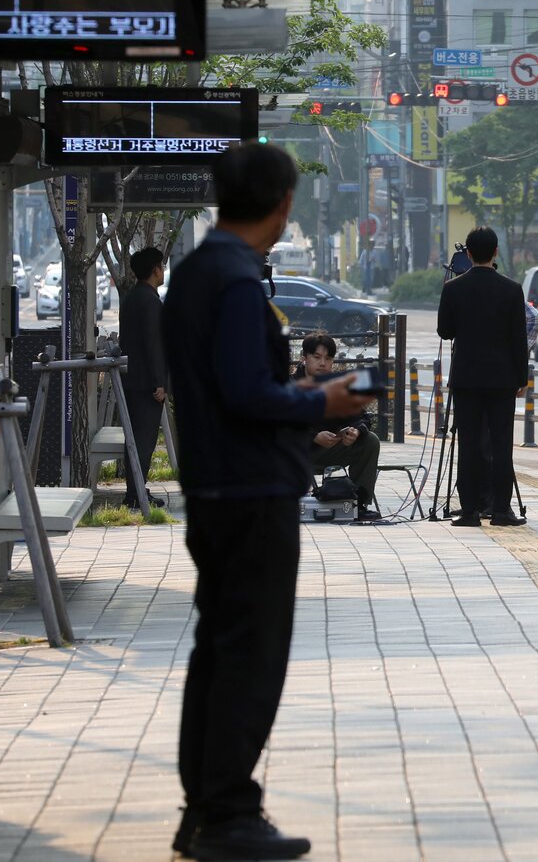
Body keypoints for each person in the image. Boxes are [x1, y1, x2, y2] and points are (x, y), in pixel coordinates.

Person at [163, 141, 369, 861]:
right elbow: (249, 394)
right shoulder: (238, 282)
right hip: (251, 490)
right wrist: (324, 397)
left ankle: (206, 807)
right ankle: (226, 813)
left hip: (215, 485)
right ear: (282, 204)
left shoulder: (195, 272)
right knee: (250, 656)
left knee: (218, 653)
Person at [437, 226, 530, 528]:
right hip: (502, 378)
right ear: (496, 252)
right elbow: (519, 338)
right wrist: (521, 378)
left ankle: (469, 511)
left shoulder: (453, 289)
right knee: (502, 444)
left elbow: (445, 331)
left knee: (469, 444)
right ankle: (501, 510)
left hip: (466, 378)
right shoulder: (512, 289)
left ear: (467, 254)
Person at [298, 332, 381, 521]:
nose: (322, 363)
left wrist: (355, 432)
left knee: (369, 440)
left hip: (328, 452)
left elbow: (362, 418)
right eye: (316, 357)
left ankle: (359, 505)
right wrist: (314, 436)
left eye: (328, 359)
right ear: (304, 358)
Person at [118, 245, 168, 508]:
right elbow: (153, 344)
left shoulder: (132, 297)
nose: (164, 270)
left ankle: (135, 490)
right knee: (143, 440)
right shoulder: (150, 301)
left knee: (136, 439)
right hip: (146, 384)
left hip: (132, 379)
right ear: (154, 270)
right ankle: (136, 493)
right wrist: (159, 382)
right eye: (162, 266)